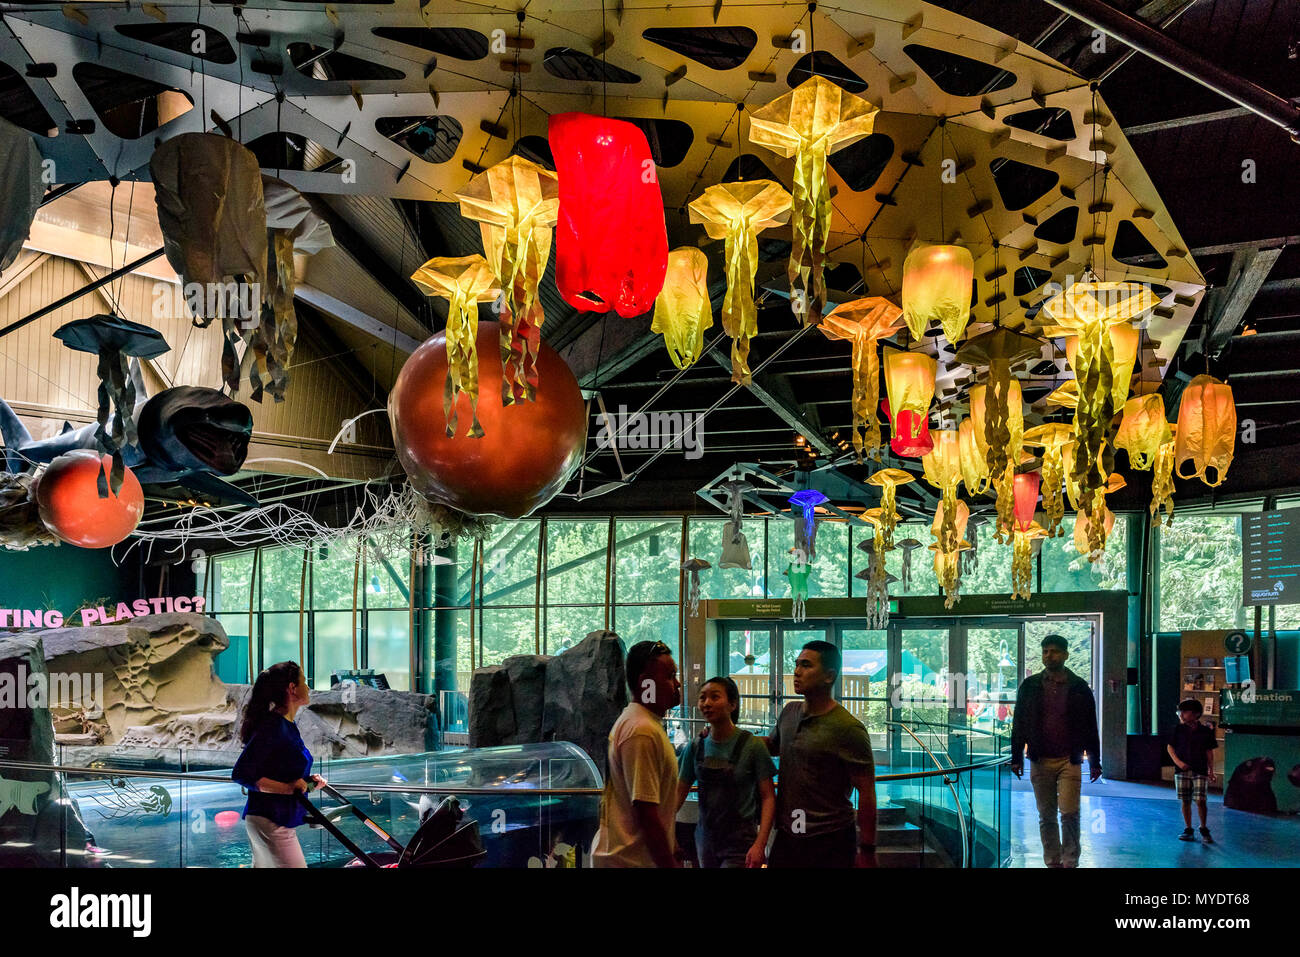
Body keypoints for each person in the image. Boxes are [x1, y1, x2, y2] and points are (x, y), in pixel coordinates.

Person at [764, 640, 877, 868]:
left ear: (829, 676)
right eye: (797, 664)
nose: (797, 671)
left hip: (830, 840)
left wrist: (866, 850)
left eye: (806, 665)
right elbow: (771, 746)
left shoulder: (848, 728)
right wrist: (724, 734)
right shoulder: (789, 712)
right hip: (789, 835)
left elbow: (866, 792)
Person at [1010, 634, 1102, 868]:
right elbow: (1019, 722)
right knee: (1046, 815)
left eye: (1054, 651)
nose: (1048, 655)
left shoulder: (1079, 686)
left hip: (1069, 760)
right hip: (1040, 759)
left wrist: (1095, 761)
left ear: (1065, 655)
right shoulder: (1030, 686)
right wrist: (1016, 756)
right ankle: (1052, 860)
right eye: (1045, 651)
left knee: (1069, 812)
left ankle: (1070, 860)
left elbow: (1090, 726)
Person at [591, 640, 682, 867]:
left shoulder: (639, 721)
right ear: (646, 684)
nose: (677, 683)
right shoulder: (642, 731)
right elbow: (646, 812)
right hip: (629, 861)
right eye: (670, 676)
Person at [675, 676, 776, 868]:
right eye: (703, 698)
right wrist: (665, 832)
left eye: (715, 697)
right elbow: (678, 793)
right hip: (705, 840)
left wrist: (760, 844)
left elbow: (768, 797)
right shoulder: (696, 746)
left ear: (732, 704)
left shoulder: (752, 746)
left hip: (741, 844)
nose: (707, 703)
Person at [231, 661, 324, 868]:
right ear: (292, 688)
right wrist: (288, 787)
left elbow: (287, 779)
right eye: (304, 682)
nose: (308, 687)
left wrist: (309, 783)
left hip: (276, 820)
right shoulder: (273, 726)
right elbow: (241, 773)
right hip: (270, 821)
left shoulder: (287, 725)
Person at [1167, 698, 1217, 843]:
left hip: (1200, 769)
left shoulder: (1206, 731)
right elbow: (1170, 747)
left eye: (1184, 712)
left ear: (1195, 714)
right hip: (1181, 770)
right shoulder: (1177, 729)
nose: (1181, 715)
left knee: (1201, 799)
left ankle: (1203, 827)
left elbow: (1209, 751)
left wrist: (1211, 770)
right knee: (1185, 799)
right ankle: (1188, 828)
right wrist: (1178, 762)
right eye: (1180, 712)